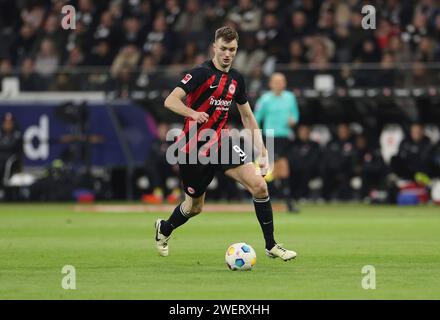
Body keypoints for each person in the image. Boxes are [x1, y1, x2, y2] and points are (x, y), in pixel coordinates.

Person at [154, 26, 297, 261]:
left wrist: (262, 151)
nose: (227, 53)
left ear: (237, 50)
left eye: (232, 49)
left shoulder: (236, 79)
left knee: (260, 186)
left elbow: (248, 116)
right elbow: (170, 101)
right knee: (194, 207)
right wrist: (192, 113)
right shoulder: (200, 73)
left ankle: (271, 245)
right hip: (192, 150)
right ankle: (165, 228)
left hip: (221, 143)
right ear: (214, 47)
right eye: (223, 48)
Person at [254, 72, 300, 212]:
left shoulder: (290, 98)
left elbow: (295, 115)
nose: (279, 84)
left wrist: (293, 121)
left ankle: (281, 198)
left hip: (285, 137)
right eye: (276, 81)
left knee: (281, 169)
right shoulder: (265, 99)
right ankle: (282, 199)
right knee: (273, 168)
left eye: (281, 81)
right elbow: (256, 118)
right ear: (271, 84)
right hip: (270, 136)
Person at [0, 113, 22, 188]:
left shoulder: (17, 134)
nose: (7, 125)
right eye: (6, 122)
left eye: (10, 123)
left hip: (12, 160)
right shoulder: (1, 134)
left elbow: (11, 146)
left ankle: (4, 185)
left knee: (6, 162)